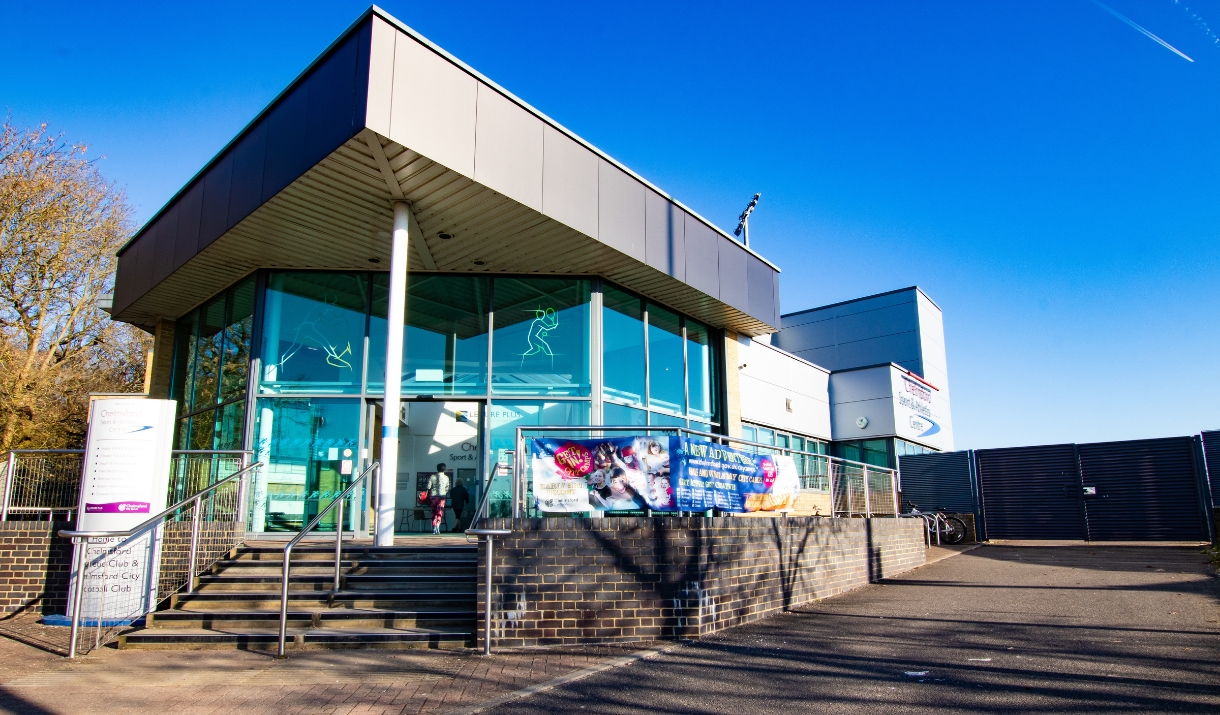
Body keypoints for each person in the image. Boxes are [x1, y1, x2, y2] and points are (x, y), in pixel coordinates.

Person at [426, 463, 450, 535]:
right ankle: (437, 525)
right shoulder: (446, 478)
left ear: (437, 468)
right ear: (444, 469)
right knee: (440, 512)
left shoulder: (432, 477)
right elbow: (447, 488)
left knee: (434, 512)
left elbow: (428, 487)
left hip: (433, 496)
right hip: (442, 496)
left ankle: (433, 527)